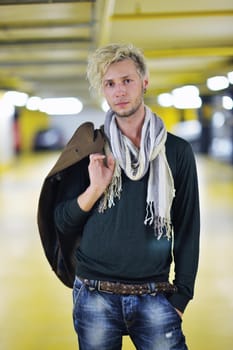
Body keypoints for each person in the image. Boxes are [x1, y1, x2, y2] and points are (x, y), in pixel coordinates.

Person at [37, 43, 200, 350]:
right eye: (110, 84)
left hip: (155, 295)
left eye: (127, 80)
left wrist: (181, 297)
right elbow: (61, 221)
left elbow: (188, 226)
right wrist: (95, 188)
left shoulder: (176, 152)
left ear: (144, 82)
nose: (119, 91)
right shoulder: (90, 147)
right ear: (104, 90)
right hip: (94, 294)